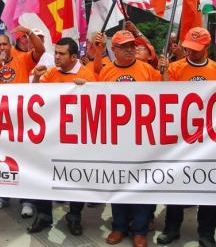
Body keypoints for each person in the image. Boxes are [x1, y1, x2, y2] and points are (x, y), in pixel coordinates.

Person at [97, 30, 159, 247]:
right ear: (113, 50)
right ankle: (120, 227)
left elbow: (167, 96)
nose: (130, 49)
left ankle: (140, 230)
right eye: (124, 46)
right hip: (115, 140)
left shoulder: (148, 71)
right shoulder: (105, 71)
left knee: (141, 185)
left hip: (142, 139)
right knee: (118, 184)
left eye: (132, 45)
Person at [29, 37, 96, 235]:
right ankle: (43, 215)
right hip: (51, 136)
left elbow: (96, 106)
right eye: (55, 52)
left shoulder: (87, 75)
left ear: (74, 57)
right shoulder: (50, 73)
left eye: (61, 54)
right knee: (43, 175)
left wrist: (86, 90)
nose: (56, 57)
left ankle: (74, 215)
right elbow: (34, 100)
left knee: (76, 178)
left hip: (75, 139)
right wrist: (35, 79)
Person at [158, 27, 216, 247]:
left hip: (208, 141)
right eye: (189, 49)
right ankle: (172, 228)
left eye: (196, 49)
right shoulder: (174, 68)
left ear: (207, 47)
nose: (191, 53)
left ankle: (206, 232)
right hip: (180, 138)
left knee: (209, 186)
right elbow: (163, 99)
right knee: (176, 184)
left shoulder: (214, 69)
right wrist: (163, 74)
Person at [0, 27, 45, 217]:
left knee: (24, 160)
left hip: (22, 119)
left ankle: (27, 200)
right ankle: (2, 196)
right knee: (2, 159)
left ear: (10, 46)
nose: (1, 47)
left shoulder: (23, 60)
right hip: (0, 120)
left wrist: (29, 32)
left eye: (4, 44)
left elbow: (40, 51)